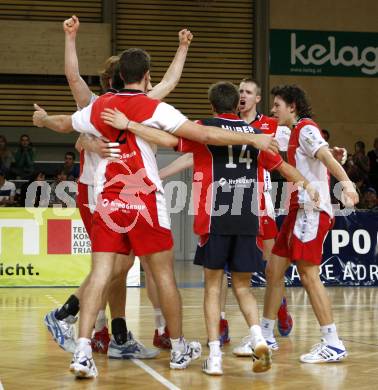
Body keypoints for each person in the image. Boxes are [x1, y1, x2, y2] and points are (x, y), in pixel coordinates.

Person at [33, 47, 279, 378]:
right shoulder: (153, 106)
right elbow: (204, 134)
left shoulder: (100, 106)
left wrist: (43, 119)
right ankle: (178, 346)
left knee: (102, 273)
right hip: (145, 199)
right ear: (146, 76)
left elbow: (65, 124)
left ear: (118, 76)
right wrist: (255, 138)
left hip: (108, 199)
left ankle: (81, 352)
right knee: (162, 275)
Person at [43, 15, 194, 362]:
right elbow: (72, 81)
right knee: (113, 268)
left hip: (116, 193)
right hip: (100, 193)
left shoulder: (120, 105)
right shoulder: (96, 104)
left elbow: (168, 82)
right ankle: (78, 320)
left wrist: (182, 48)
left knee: (119, 267)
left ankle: (110, 332)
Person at [147, 82, 318, 375]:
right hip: (248, 218)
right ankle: (259, 342)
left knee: (213, 288)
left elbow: (167, 140)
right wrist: (307, 184)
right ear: (236, 104)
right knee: (243, 287)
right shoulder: (255, 134)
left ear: (212, 105)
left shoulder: (203, 128)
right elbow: (282, 167)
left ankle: (214, 356)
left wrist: (129, 125)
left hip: (215, 218)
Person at [262, 84, 359, 363]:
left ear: (292, 106)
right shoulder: (292, 132)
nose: (273, 109)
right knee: (274, 269)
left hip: (312, 211)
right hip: (296, 210)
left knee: (308, 274)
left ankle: (333, 342)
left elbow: (326, 158)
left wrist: (347, 184)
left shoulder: (305, 129)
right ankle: (266, 336)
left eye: (277, 105)